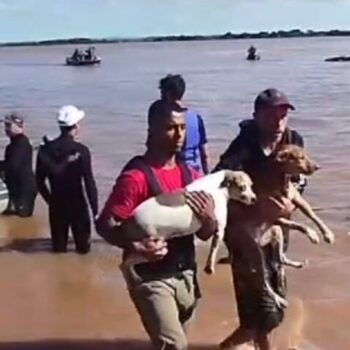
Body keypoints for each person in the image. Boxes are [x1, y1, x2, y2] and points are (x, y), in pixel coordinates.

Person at [96, 101, 217, 350]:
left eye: (183, 127)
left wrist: (209, 218)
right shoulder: (136, 176)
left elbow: (205, 235)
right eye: (171, 128)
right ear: (151, 129)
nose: (179, 135)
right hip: (151, 278)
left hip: (187, 277)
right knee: (175, 347)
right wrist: (136, 246)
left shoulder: (191, 177)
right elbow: (105, 224)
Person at [214, 88, 305, 350]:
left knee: (273, 303)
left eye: (283, 115)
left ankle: (255, 344)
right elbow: (219, 179)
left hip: (277, 233)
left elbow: (301, 176)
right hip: (244, 235)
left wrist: (292, 198)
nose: (278, 122)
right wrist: (255, 201)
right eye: (271, 116)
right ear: (256, 117)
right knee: (258, 304)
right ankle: (231, 345)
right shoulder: (244, 144)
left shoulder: (293, 139)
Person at [36, 105, 98, 254]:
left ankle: (59, 276)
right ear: (76, 126)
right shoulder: (82, 151)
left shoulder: (45, 150)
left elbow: (39, 181)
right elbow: (89, 183)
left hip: (57, 205)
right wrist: (95, 210)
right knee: (83, 251)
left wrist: (50, 200)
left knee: (58, 251)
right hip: (78, 206)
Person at [148, 74, 209, 174]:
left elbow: (154, 146)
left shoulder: (162, 116)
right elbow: (204, 154)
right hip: (197, 173)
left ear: (167, 94)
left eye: (162, 93)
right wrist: (207, 176)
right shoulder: (196, 118)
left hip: (178, 174)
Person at [0, 113, 37, 217]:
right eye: (5, 126)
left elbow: (13, 166)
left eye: (9, 125)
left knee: (22, 219)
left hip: (25, 190)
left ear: (19, 126)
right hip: (17, 188)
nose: (6, 129)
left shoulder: (22, 143)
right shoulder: (12, 145)